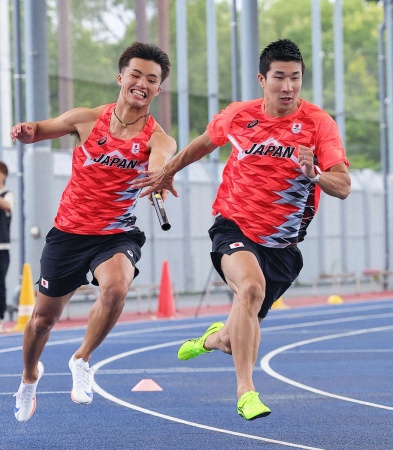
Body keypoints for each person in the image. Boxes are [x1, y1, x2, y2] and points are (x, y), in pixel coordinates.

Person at [131, 39, 351, 420]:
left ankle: (215, 337)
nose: (288, 87)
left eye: (295, 79)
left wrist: (314, 173)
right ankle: (246, 391)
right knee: (250, 288)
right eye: (279, 77)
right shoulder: (239, 115)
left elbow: (343, 186)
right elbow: (202, 144)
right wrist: (166, 173)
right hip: (234, 226)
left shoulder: (318, 125)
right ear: (262, 79)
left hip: (281, 246)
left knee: (236, 339)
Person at [10, 42, 176, 422]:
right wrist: (25, 129)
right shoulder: (86, 119)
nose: (142, 83)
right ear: (121, 78)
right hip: (68, 233)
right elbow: (40, 131)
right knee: (42, 321)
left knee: (116, 286)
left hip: (115, 234)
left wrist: (161, 175)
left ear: (157, 90)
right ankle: (29, 377)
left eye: (152, 79)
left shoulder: (158, 138)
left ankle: (81, 359)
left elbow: (162, 159)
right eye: (136, 74)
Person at [0, 162, 14, 334]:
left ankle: (0, 318)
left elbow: (7, 205)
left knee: (0, 283)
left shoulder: (8, 195)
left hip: (2, 247)